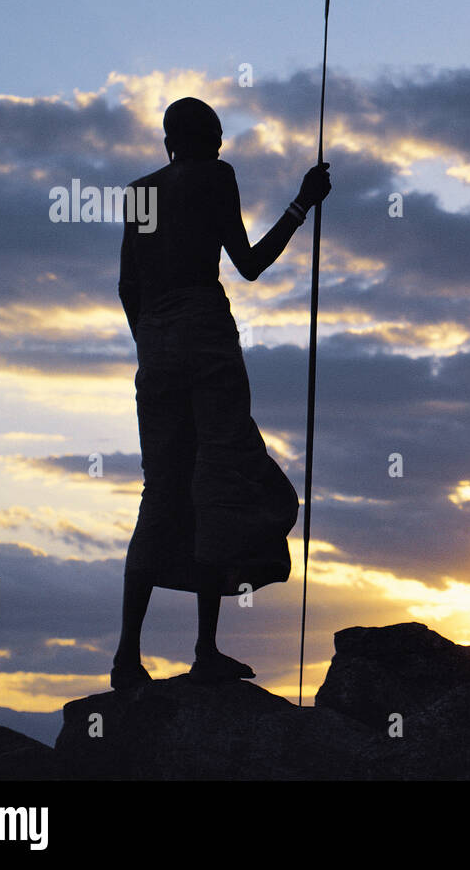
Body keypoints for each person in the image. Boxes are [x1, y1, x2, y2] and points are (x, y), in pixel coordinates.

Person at [112, 97, 330, 689]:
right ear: (207, 141)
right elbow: (250, 263)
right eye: (218, 138)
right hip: (207, 345)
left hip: (156, 355)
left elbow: (128, 287)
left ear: (166, 142)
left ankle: (127, 656)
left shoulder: (142, 195)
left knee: (160, 493)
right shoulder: (215, 176)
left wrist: (152, 346)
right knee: (220, 483)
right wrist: (301, 204)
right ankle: (204, 650)